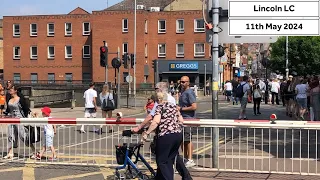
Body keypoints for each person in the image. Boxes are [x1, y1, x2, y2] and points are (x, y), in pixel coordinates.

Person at [142, 92, 187, 180]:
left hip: (166, 136)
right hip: (178, 135)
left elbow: (156, 122)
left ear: (159, 99)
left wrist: (147, 133)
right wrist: (177, 126)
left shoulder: (160, 107)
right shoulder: (173, 106)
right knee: (169, 160)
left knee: (161, 161)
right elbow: (181, 119)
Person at [5, 85, 36, 159]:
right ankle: (10, 152)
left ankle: (34, 151)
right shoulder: (9, 99)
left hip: (19, 119)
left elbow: (25, 108)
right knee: (10, 135)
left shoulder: (20, 99)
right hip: (11, 119)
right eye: (9, 89)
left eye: (11, 89)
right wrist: (5, 114)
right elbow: (8, 110)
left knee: (23, 136)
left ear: (15, 90)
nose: (10, 90)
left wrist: (31, 113)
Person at [177, 76, 197, 168]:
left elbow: (194, 106)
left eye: (184, 82)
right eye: (181, 81)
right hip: (182, 119)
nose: (182, 83)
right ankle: (185, 158)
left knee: (188, 139)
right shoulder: (182, 92)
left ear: (188, 83)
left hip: (189, 119)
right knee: (182, 140)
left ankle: (190, 159)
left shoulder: (189, 92)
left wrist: (181, 108)